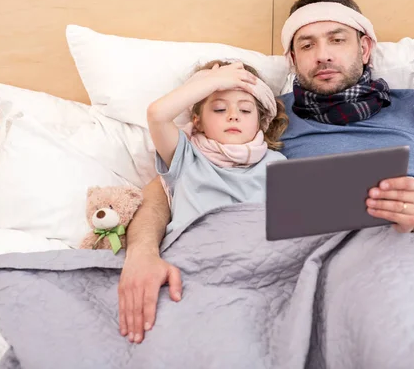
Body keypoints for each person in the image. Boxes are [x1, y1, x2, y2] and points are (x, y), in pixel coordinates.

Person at [118, 0, 414, 344]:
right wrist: (142, 255)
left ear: (365, 47)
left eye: (337, 39)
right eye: (307, 45)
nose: (322, 55)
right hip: (315, 263)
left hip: (413, 244)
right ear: (293, 60)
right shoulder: (262, 115)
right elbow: (166, 188)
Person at [119, 60, 288, 343]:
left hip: (255, 262)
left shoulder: (277, 164)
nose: (233, 116)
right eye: (219, 108)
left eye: (245, 110)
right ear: (197, 119)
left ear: (262, 121)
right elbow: (157, 114)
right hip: (192, 261)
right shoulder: (185, 154)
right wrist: (211, 81)